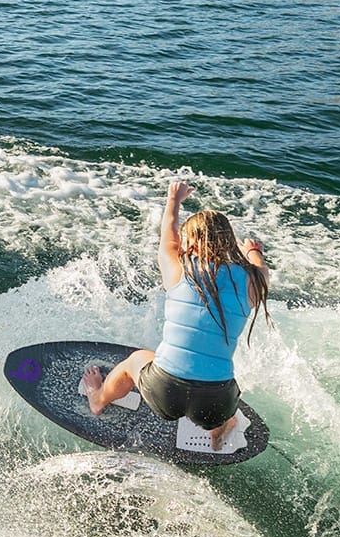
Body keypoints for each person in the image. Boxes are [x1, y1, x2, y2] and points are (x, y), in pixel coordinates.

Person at [83, 180, 270, 449]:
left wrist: (174, 200)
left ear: (189, 244)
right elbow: (262, 270)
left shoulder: (180, 269)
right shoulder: (253, 283)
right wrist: (253, 251)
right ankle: (218, 434)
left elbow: (167, 237)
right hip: (216, 402)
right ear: (229, 241)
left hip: (165, 392)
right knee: (222, 392)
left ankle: (98, 399)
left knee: (135, 361)